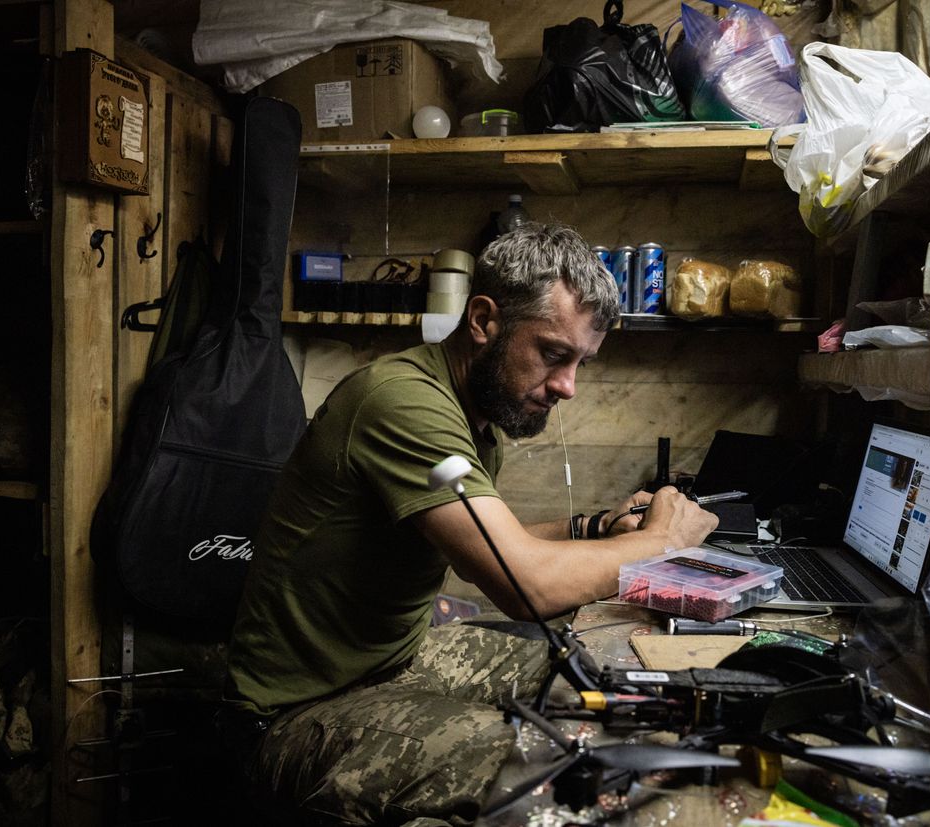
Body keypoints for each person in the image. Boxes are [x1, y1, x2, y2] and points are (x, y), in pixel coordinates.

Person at [218, 222, 718, 825]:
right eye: (555, 354)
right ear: (483, 321)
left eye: (581, 361)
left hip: (396, 661)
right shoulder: (403, 402)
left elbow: (482, 545)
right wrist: (660, 540)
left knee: (611, 686)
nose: (568, 387)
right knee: (570, 764)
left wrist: (593, 529)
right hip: (296, 714)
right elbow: (525, 587)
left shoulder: (473, 414)